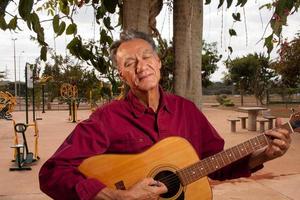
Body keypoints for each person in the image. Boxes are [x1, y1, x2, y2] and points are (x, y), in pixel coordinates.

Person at [39, 30, 291, 200]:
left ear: (158, 62)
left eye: (146, 56)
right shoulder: (105, 119)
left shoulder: (187, 111)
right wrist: (116, 195)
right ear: (122, 75)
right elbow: (51, 174)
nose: (141, 66)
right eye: (129, 63)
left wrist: (262, 155)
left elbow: (215, 164)